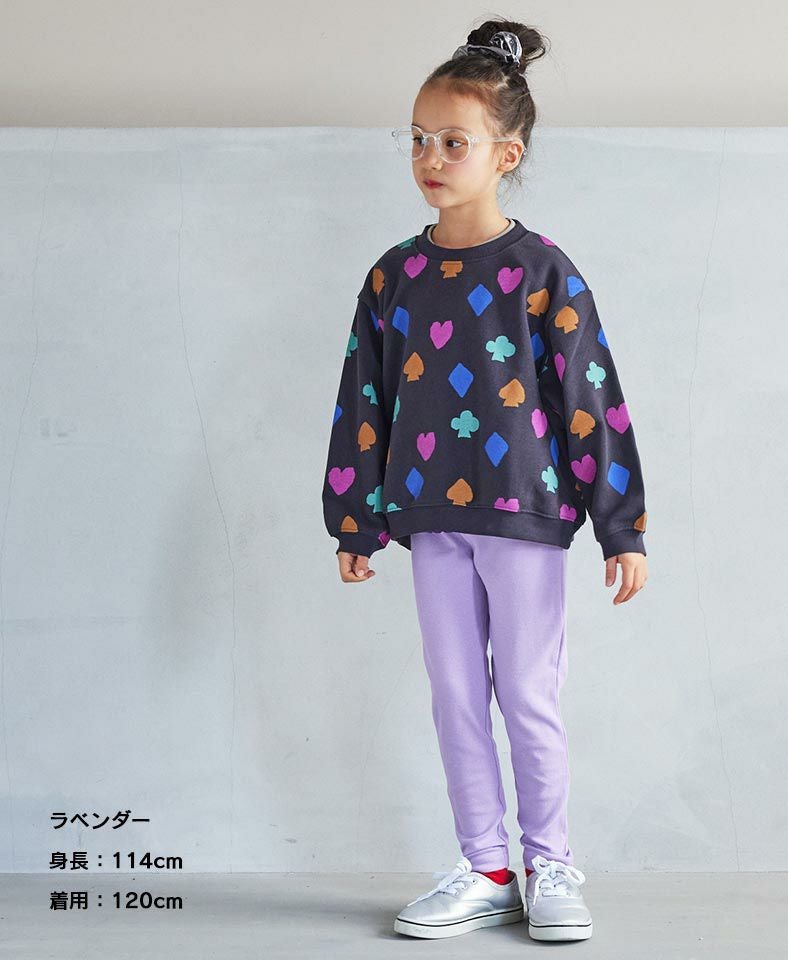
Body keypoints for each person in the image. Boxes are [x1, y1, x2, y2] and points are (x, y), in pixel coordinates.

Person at [321, 17, 649, 944]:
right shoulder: (393, 277)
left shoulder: (543, 273)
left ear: (507, 154)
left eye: (453, 142)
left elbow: (592, 397)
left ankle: (550, 864)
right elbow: (363, 396)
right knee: (456, 698)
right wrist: (355, 518)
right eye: (418, 139)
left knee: (529, 698)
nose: (430, 157)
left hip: (525, 515)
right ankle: (486, 867)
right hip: (429, 518)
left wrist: (621, 525)